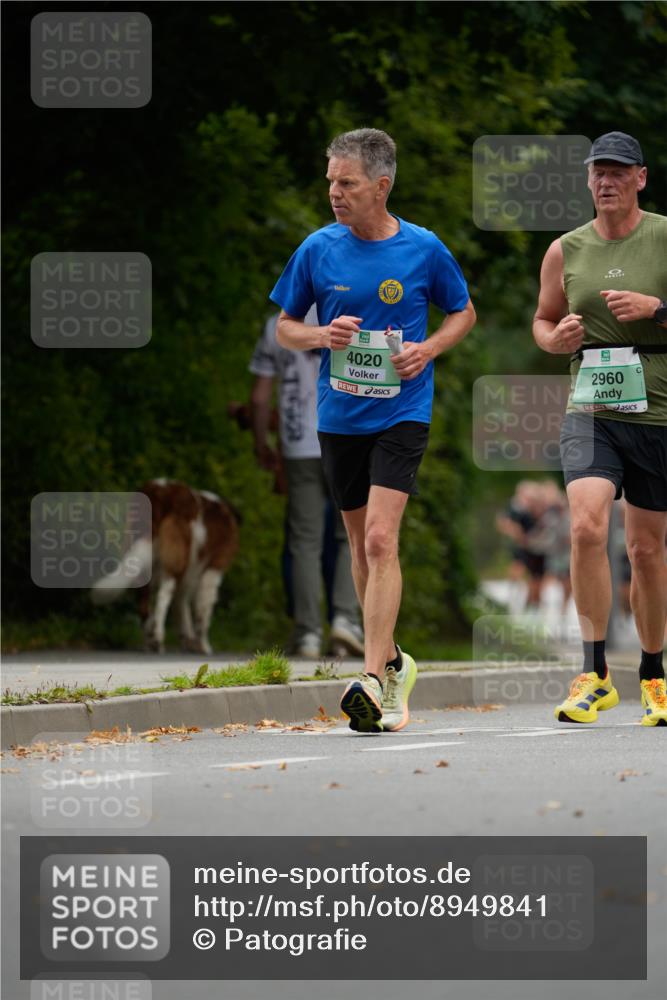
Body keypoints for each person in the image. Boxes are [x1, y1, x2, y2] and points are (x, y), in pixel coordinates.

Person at [270, 127, 476, 732]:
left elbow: (462, 311)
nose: (334, 192)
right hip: (339, 416)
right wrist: (320, 336)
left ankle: (370, 677)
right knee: (359, 548)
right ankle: (393, 664)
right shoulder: (317, 249)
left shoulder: (424, 248)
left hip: (402, 411)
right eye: (331, 181)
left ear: (381, 186)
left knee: (383, 541)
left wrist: (430, 349)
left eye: (347, 182)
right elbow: (285, 326)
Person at [533, 130, 667, 726]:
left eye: (618, 172)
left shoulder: (664, 236)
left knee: (646, 551)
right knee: (587, 526)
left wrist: (656, 310)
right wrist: (552, 337)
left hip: (659, 411)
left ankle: (655, 673)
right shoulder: (566, 250)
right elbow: (542, 318)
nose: (606, 181)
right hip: (592, 406)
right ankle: (593, 674)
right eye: (597, 173)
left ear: (641, 178)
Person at [248, 305, 363, 659]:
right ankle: (346, 620)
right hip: (348, 437)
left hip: (299, 444)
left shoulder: (276, 327)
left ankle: (308, 633)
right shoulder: (355, 312)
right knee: (351, 536)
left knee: (304, 541)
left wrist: (261, 442)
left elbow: (259, 396)